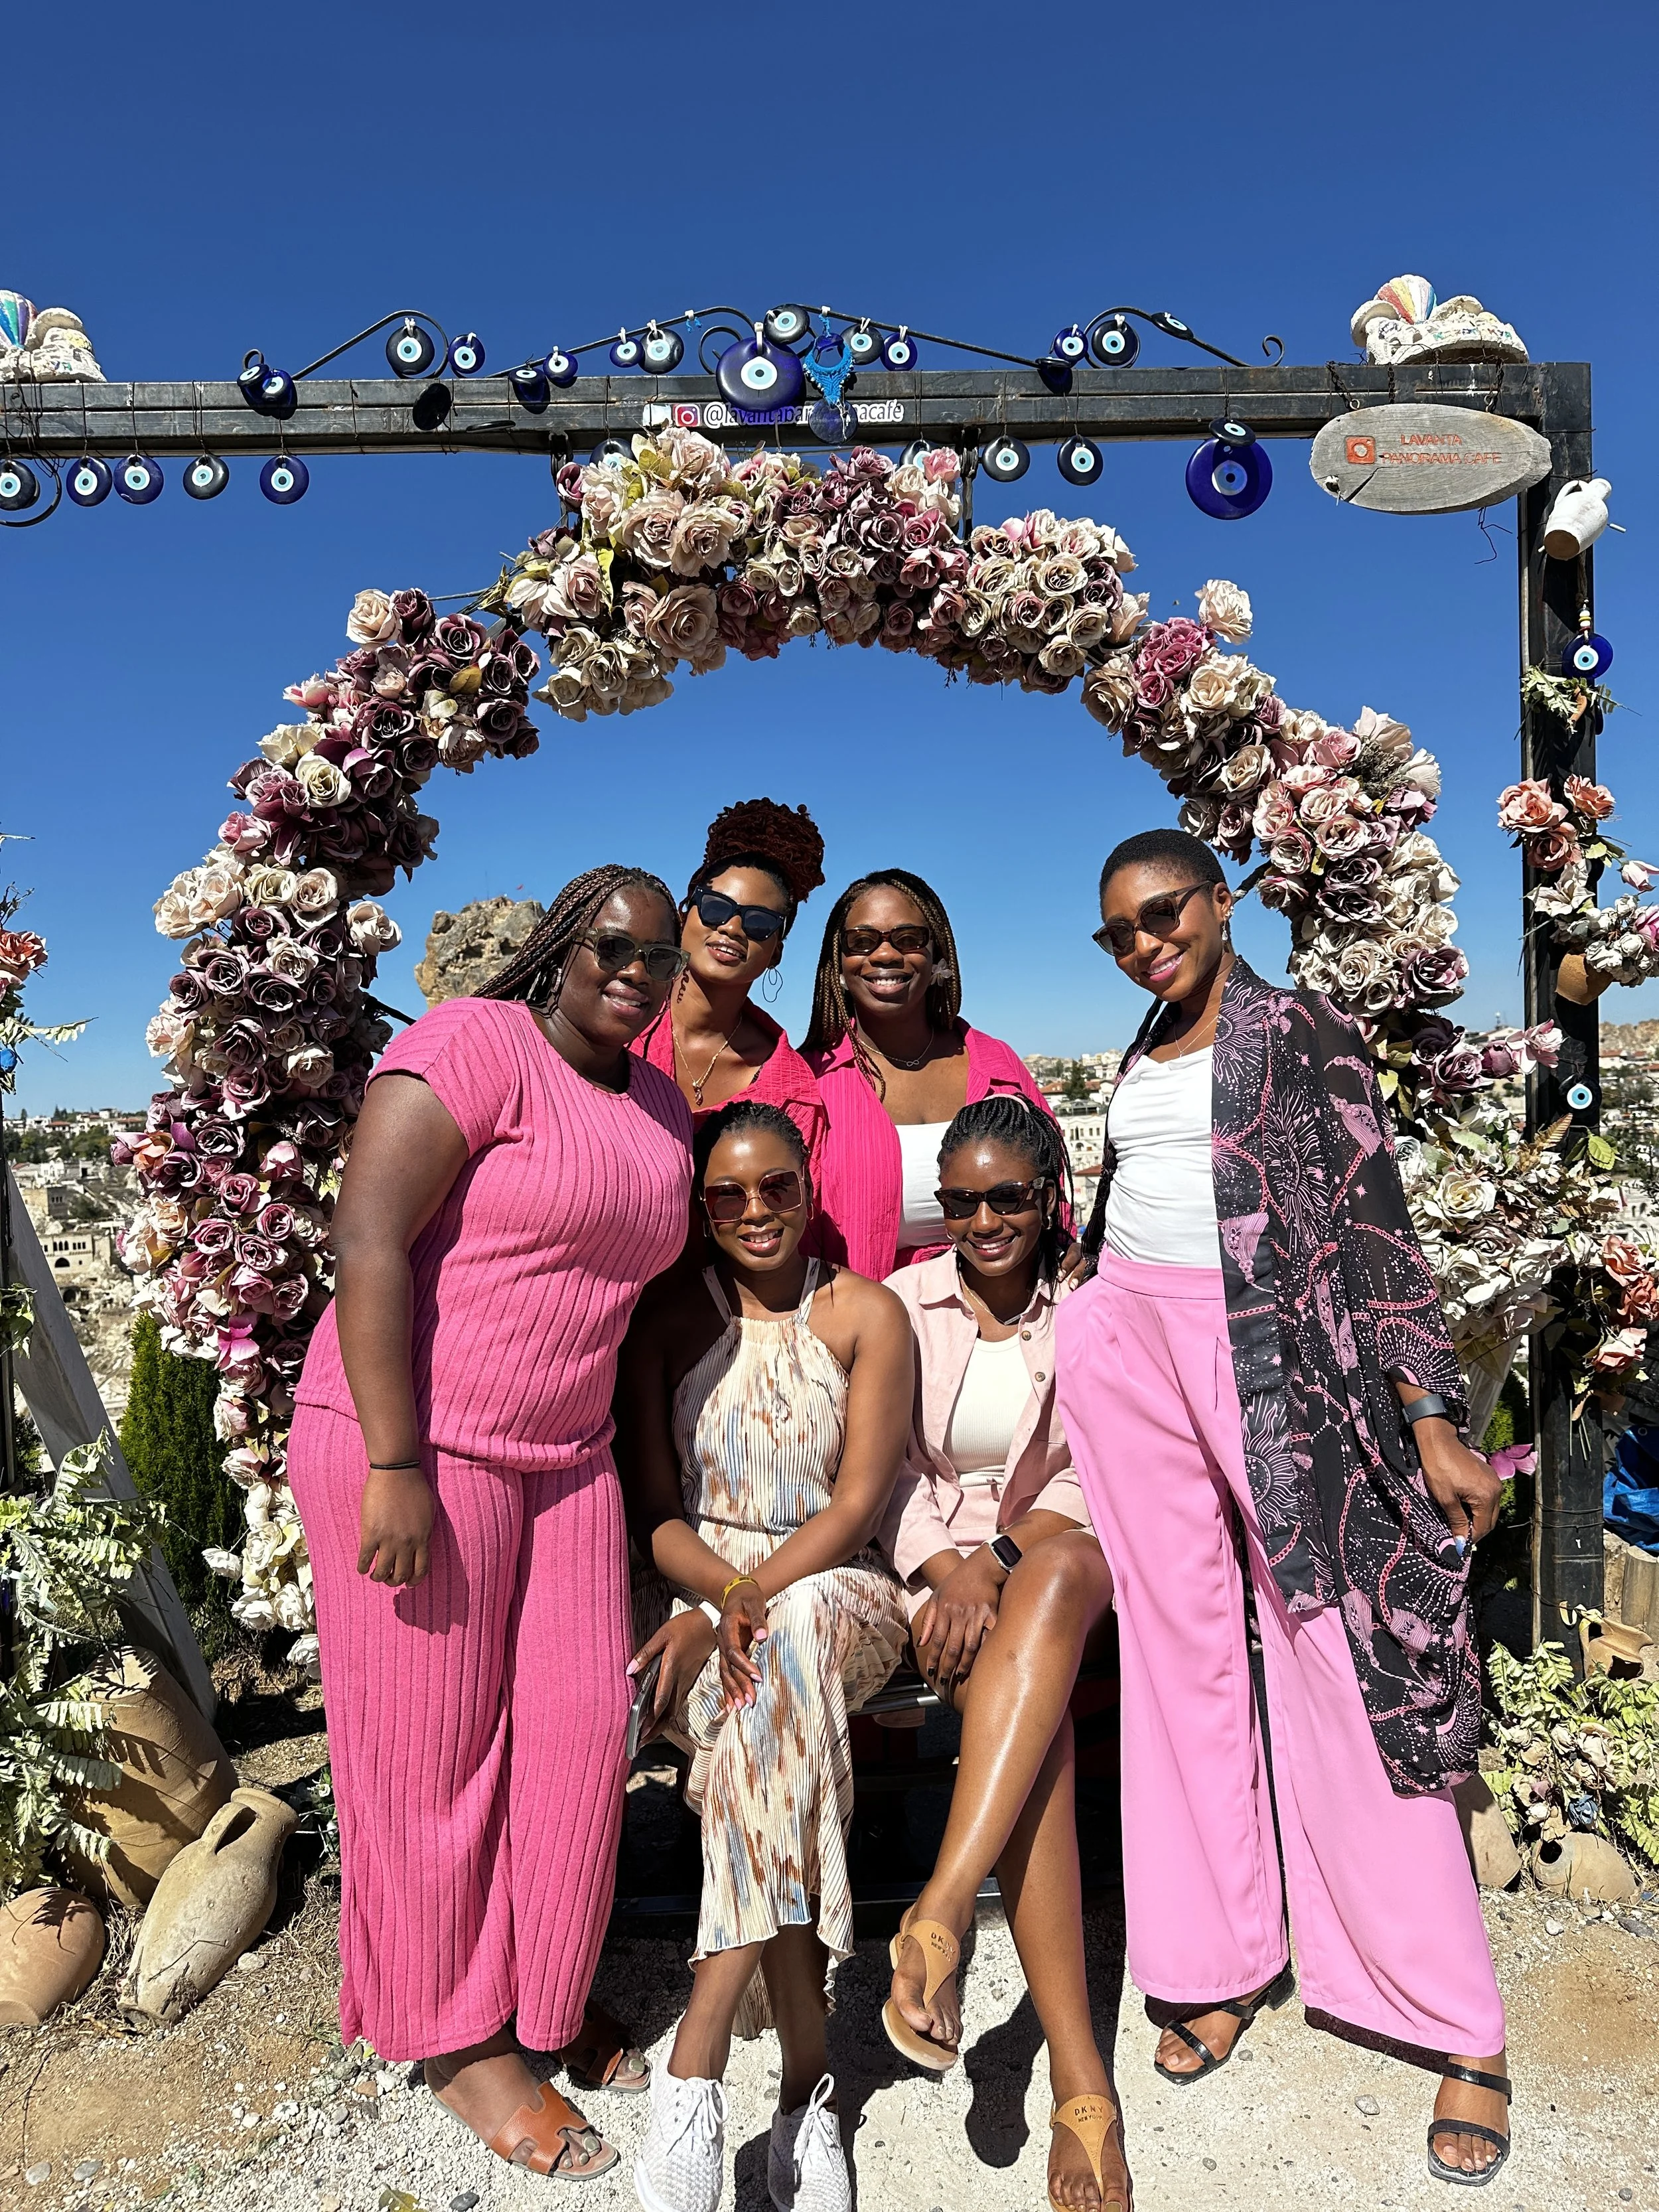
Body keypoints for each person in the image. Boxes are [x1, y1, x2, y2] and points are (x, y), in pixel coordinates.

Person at [1060, 828, 1511, 2190]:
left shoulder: (1301, 1024)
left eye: (1161, 913)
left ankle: (1453, 2021)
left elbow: (1372, 1214)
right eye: (1117, 931)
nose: (1144, 942)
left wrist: (1427, 1408)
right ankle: (1215, 1957)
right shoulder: (1142, 1043)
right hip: (1127, 1346)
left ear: (1218, 901)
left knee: (1331, 1648)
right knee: (1177, 1652)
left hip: (1270, 1363)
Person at [289, 865, 695, 2185]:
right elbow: (369, 1237)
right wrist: (395, 1459)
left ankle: (541, 1988)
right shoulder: (475, 1043)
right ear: (561, 944)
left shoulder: (659, 1104)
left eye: (660, 951)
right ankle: (460, 2039)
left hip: (564, 1461)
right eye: (611, 943)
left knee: (583, 1736)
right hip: (418, 1447)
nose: (634, 968)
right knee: (429, 1755)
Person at [614, 1100, 913, 2212]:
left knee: (779, 1656)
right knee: (772, 1729)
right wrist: (715, 1592)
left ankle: (695, 2064)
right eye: (727, 1194)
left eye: (775, 1186)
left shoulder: (866, 1315)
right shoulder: (667, 1321)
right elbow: (656, 1507)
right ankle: (807, 2089)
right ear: (700, 1206)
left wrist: (749, 1594)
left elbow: (855, 1505)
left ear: (809, 1181)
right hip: (699, 1593)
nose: (754, 1210)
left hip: (835, 1593)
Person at [879, 1096, 1127, 2212]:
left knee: (1058, 1583)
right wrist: (947, 1563)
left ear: (1048, 1196)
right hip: (943, 1577)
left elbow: (1107, 1464)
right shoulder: (902, 1303)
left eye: (1009, 1198)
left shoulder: (1093, 1306)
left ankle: (940, 1905)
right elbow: (880, 1467)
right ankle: (1085, 2082)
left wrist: (1007, 1548)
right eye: (962, 1199)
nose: (984, 1219)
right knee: (1038, 1740)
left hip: (1066, 1545)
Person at [802, 867, 1059, 1280]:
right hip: (861, 1328)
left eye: (908, 940)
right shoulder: (808, 1083)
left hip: (1002, 1319)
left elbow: (1050, 1186)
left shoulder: (997, 1065)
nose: (885, 955)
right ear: (839, 964)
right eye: (862, 942)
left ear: (938, 956)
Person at [632, 798, 828, 1254]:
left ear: (776, 950)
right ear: (687, 912)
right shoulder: (619, 1022)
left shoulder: (791, 1091)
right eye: (717, 908)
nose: (734, 929)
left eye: (760, 923)